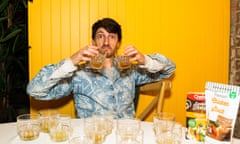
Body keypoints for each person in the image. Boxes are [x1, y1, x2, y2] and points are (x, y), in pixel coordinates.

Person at [27, 17, 176, 119]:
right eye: (100, 36)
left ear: (118, 43)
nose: (106, 41)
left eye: (111, 36)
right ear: (93, 42)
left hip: (125, 136)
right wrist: (70, 62)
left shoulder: (131, 71)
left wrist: (146, 60)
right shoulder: (78, 74)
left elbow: (169, 69)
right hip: (93, 137)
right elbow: (35, 90)